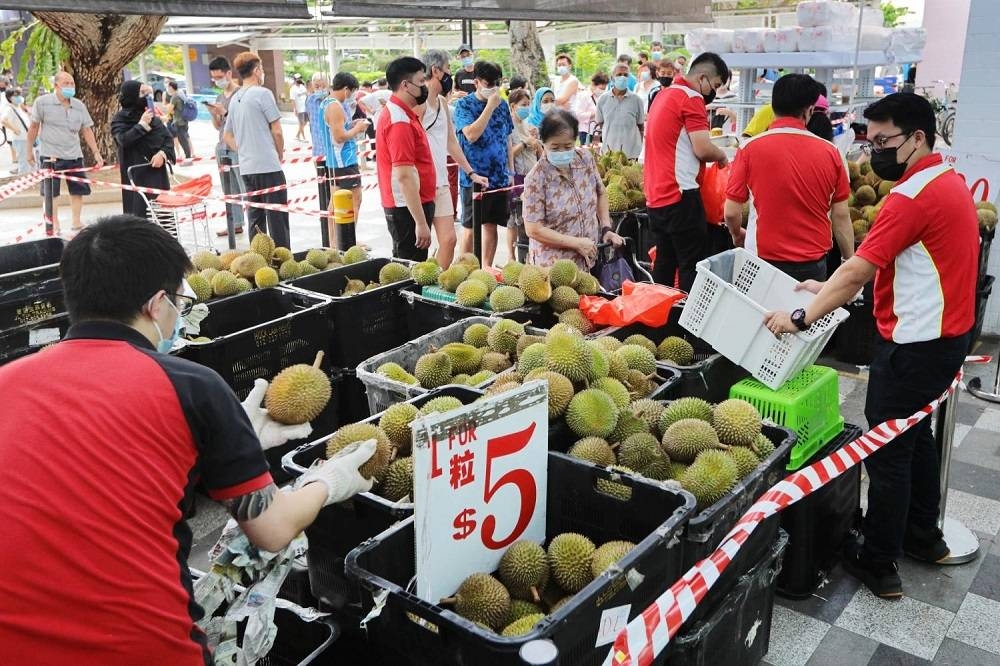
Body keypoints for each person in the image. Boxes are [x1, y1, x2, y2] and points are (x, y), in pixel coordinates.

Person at [0, 215, 377, 665]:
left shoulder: (8, 382)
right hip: (142, 647)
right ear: (158, 304)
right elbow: (273, 530)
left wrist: (229, 447)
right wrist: (327, 482)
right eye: (180, 299)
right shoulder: (190, 385)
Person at [764, 93, 979, 600]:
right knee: (914, 439)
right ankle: (921, 536)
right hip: (944, 341)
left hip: (912, 346)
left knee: (887, 454)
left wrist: (801, 316)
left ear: (918, 138)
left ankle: (879, 562)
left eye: (884, 141)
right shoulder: (946, 182)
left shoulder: (911, 197)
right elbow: (889, 266)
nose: (873, 151)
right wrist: (829, 289)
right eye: (869, 140)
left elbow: (860, 266)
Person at [722, 74, 853, 282]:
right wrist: (848, 260)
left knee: (761, 314)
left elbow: (730, 211)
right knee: (805, 314)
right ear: (809, 110)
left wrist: (737, 234)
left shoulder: (749, 148)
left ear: (773, 108)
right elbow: (841, 216)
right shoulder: (831, 152)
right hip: (812, 265)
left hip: (760, 261)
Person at [643, 52, 731, 291]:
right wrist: (723, 156)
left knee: (664, 263)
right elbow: (702, 148)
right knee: (691, 265)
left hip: (656, 196)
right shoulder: (691, 98)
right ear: (702, 78)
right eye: (714, 86)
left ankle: (662, 322)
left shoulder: (664, 95)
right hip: (681, 195)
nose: (712, 93)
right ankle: (687, 325)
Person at [522, 110, 624, 270]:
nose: (562, 152)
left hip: (590, 257)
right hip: (554, 267)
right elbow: (534, 229)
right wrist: (575, 243)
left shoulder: (585, 159)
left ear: (575, 140)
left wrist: (606, 228)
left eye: (568, 146)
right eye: (555, 147)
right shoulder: (536, 178)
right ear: (543, 142)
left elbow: (601, 192)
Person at [421, 50, 488, 268]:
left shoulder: (442, 104)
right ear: (436, 71)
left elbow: (452, 142)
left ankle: (435, 282)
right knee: (420, 243)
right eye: (449, 69)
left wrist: (471, 172)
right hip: (418, 184)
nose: (451, 74)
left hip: (439, 182)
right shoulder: (416, 105)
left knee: (449, 240)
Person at [223, 51, 291, 249]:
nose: (262, 72)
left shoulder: (235, 99)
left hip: (247, 168)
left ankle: (258, 260)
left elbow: (227, 136)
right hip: (268, 165)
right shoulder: (263, 94)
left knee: (255, 217)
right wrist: (279, 153)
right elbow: (277, 131)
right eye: (261, 68)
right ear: (256, 70)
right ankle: (282, 260)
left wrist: (243, 149)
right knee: (277, 217)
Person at [26, 71, 104, 237]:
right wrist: (29, 151)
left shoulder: (78, 105)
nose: (70, 86)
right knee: (51, 193)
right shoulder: (42, 103)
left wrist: (96, 152)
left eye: (72, 83)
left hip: (74, 155)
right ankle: (54, 223)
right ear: (56, 86)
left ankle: (76, 222)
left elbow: (87, 129)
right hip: (50, 156)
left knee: (78, 190)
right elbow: (33, 127)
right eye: (66, 83)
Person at [453, 61, 514, 267]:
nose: (494, 88)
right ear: (477, 82)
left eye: (497, 83)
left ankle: (486, 268)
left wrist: (511, 170)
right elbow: (470, 134)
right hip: (475, 176)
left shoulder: (503, 105)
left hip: (499, 176)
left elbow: (507, 138)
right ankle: (465, 268)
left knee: (491, 226)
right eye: (489, 83)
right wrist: (489, 106)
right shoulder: (464, 105)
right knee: (470, 227)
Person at [376, 56, 435, 260]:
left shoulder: (403, 114)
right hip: (406, 208)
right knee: (410, 272)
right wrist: (420, 222)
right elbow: (404, 176)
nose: (424, 87)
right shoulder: (399, 120)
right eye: (420, 82)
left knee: (410, 267)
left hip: (412, 204)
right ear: (405, 85)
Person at [111, 80, 175, 221]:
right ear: (131, 95)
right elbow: (123, 140)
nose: (147, 97)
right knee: (139, 217)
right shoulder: (120, 119)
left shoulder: (153, 118)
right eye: (142, 93)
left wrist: (162, 153)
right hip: (136, 175)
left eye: (149, 93)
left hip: (157, 175)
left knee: (162, 216)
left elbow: (168, 139)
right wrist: (141, 125)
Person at [323, 72, 369, 243]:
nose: (352, 97)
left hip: (336, 161)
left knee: (335, 203)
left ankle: (335, 243)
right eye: (352, 92)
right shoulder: (335, 106)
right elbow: (339, 137)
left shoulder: (327, 103)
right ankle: (346, 242)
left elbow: (337, 130)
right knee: (354, 200)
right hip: (344, 160)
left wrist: (353, 125)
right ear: (346, 89)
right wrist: (358, 129)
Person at [207, 57, 246, 242]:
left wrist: (225, 112)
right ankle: (235, 223)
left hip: (237, 146)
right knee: (229, 189)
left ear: (229, 73)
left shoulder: (240, 94)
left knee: (245, 186)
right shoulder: (219, 97)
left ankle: (256, 220)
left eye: (220, 76)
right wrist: (214, 114)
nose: (217, 80)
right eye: (214, 78)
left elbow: (241, 122)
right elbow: (218, 126)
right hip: (222, 147)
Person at [508, 88, 542, 262]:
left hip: (531, 174)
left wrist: (534, 141)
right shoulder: (509, 126)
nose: (526, 108)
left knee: (530, 216)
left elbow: (538, 152)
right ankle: (511, 256)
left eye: (528, 105)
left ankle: (529, 254)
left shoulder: (526, 125)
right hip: (517, 176)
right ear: (513, 106)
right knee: (515, 220)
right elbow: (509, 154)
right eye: (523, 105)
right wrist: (524, 142)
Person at [594, 62, 645, 159]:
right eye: (619, 74)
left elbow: (640, 126)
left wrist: (638, 145)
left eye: (625, 75)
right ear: (612, 78)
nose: (623, 77)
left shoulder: (636, 100)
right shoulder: (603, 99)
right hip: (609, 153)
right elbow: (601, 123)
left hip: (631, 153)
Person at [2, 88, 32, 175]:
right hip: (20, 139)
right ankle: (23, 183)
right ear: (10, 98)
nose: (19, 97)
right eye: (16, 95)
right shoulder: (9, 108)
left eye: (19, 95)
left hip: (26, 138)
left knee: (28, 162)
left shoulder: (18, 107)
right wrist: (15, 130)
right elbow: (3, 121)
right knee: (23, 163)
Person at [573, 73, 608, 145]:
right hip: (587, 132)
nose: (602, 91)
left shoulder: (603, 96)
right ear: (593, 84)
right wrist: (594, 114)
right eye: (601, 89)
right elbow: (578, 115)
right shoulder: (584, 96)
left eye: (604, 89)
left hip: (599, 131)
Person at [166, 81, 193, 160]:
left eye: (168, 87)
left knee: (182, 139)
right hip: (184, 120)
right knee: (184, 138)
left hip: (178, 121)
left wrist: (168, 109)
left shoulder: (175, 96)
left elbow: (170, 109)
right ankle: (188, 154)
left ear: (171, 87)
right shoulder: (181, 94)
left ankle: (188, 156)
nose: (168, 89)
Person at [306, 72, 330, 161]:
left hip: (333, 150)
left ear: (328, 85)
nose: (320, 89)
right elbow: (310, 118)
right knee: (320, 173)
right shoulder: (310, 100)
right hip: (317, 148)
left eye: (323, 86)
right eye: (317, 86)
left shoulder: (334, 100)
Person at [291, 74, 309, 142]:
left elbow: (306, 94)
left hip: (305, 107)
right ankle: (304, 137)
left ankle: (297, 135)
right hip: (299, 108)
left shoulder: (302, 86)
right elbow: (292, 100)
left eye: (300, 78)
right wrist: (294, 109)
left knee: (305, 121)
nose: (299, 79)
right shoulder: (293, 88)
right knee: (301, 123)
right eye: (298, 78)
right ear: (295, 79)